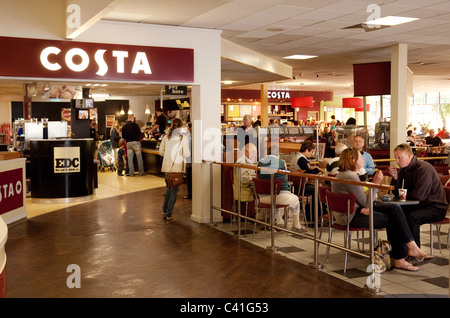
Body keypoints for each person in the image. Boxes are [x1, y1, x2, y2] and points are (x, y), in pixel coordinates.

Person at [334, 147, 435, 272]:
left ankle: (408, 250)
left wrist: (366, 206)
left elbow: (362, 202)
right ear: (354, 160)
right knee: (393, 217)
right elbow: (366, 202)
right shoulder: (350, 176)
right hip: (350, 217)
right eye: (361, 157)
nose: (363, 159)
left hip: (350, 212)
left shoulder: (345, 174)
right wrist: (376, 184)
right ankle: (402, 256)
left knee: (394, 208)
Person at [388, 143, 448, 250]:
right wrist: (395, 178)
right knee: (393, 213)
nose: (397, 161)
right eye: (395, 158)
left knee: (412, 218)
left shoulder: (423, 168)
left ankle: (415, 253)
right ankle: (399, 252)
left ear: (410, 156)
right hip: (417, 205)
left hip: (435, 207)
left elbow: (419, 196)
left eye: (399, 158)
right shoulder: (403, 170)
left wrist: (403, 195)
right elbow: (397, 193)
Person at [257, 152, 307, 234]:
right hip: (279, 196)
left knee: (275, 196)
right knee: (295, 200)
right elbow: (285, 178)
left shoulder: (260, 163)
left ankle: (280, 221)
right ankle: (297, 226)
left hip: (262, 198)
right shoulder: (281, 162)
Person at [159, 118, 190, 221]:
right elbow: (186, 153)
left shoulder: (165, 137)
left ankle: (164, 208)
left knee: (169, 187)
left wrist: (168, 155)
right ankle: (169, 213)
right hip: (176, 167)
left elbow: (161, 152)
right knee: (174, 190)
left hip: (167, 167)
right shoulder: (183, 138)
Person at [295, 140, 324, 224]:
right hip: (299, 186)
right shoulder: (301, 159)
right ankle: (315, 213)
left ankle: (316, 212)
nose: (312, 154)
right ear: (307, 150)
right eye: (311, 152)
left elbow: (305, 170)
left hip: (297, 184)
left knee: (316, 187)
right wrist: (317, 169)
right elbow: (307, 172)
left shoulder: (298, 157)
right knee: (317, 189)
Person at [183, 122, 192, 200]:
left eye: (187, 126)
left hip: (191, 161)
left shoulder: (193, 137)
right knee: (188, 179)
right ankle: (189, 194)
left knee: (190, 178)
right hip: (187, 160)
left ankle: (190, 194)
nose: (186, 128)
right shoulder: (187, 136)